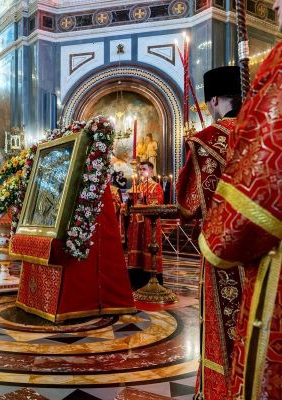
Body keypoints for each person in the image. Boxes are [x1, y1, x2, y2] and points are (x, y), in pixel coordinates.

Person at [199, 21, 282, 399]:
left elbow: (195, 207)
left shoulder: (204, 141)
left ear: (215, 100)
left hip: (249, 249)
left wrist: (216, 235)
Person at [175, 65, 242, 399]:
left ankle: (220, 390)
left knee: (224, 321)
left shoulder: (207, 141)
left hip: (223, 250)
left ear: (214, 100)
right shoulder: (262, 128)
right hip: (268, 248)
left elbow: (187, 202)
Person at [127, 161, 164, 288]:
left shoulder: (156, 187)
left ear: (151, 171)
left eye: (144, 169)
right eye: (140, 169)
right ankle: (136, 279)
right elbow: (132, 205)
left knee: (148, 247)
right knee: (136, 247)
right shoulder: (137, 186)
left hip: (149, 223)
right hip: (137, 223)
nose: (141, 171)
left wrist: (145, 197)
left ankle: (150, 277)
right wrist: (130, 200)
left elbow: (157, 203)